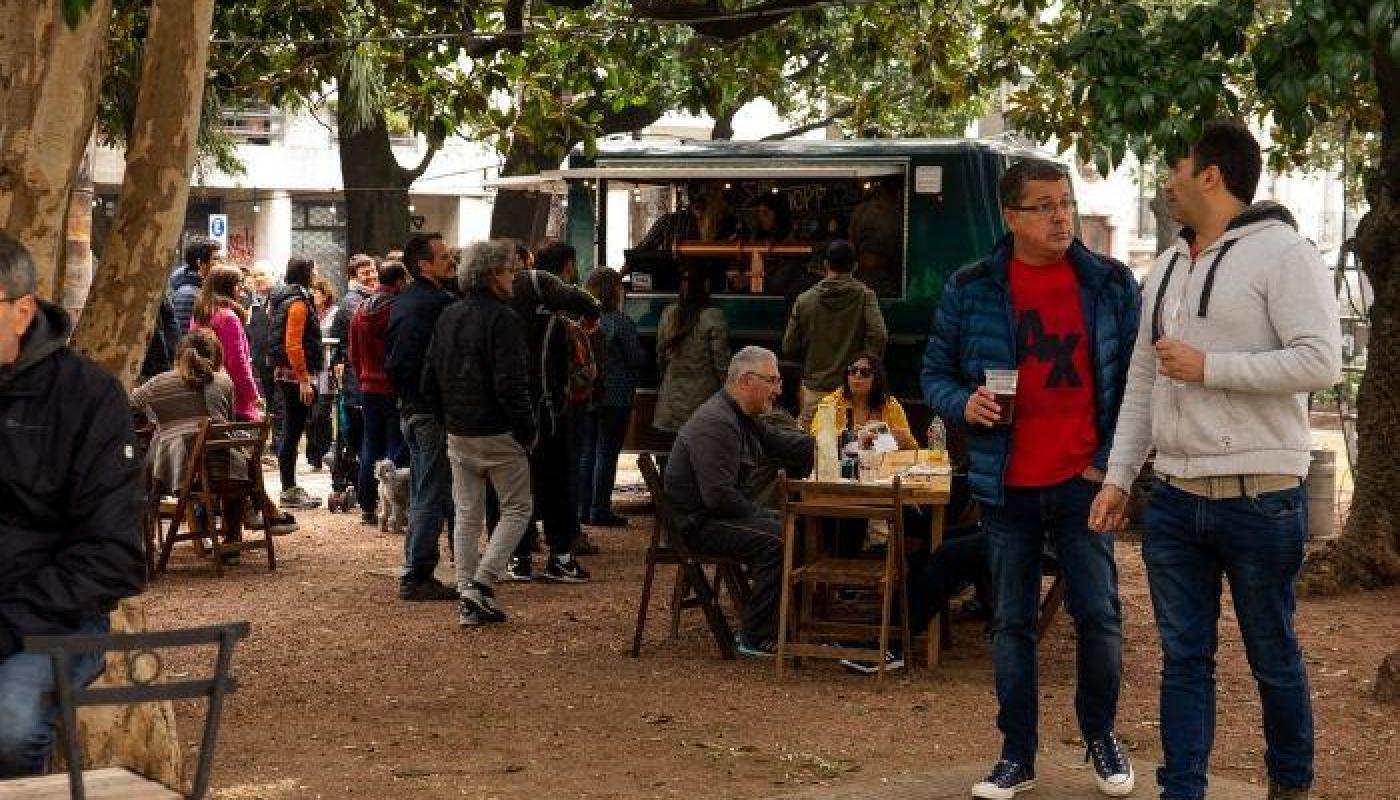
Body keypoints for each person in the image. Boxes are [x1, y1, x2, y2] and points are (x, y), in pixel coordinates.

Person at [1089, 121, 1341, 800]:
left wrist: (1211, 367)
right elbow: (1143, 379)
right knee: (1183, 660)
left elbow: (1321, 361)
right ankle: (1182, 791)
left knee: (1272, 656)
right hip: (1174, 498)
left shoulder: (1286, 253)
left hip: (1261, 495)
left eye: (1175, 168)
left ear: (1210, 175)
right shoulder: (1168, 266)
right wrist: (1119, 477)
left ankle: (1290, 785)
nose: (1166, 183)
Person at [921, 157, 1141, 799]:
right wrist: (963, 403)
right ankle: (1017, 754)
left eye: (1065, 202)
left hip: (1083, 480)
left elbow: (1138, 384)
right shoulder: (972, 287)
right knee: (1011, 622)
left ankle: (1101, 737)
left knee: (1099, 615)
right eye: (1044, 206)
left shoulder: (1109, 283)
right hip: (1007, 483)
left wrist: (1113, 466)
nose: (1061, 217)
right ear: (1010, 217)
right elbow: (935, 373)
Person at [0, 233, 145, 777]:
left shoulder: (88, 397)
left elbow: (113, 555)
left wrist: (8, 621)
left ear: (22, 312)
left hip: (52, 619)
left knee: (8, 725)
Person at [664, 346, 813, 658]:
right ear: (746, 380)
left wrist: (834, 443)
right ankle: (755, 635)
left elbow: (782, 443)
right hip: (696, 523)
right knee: (778, 537)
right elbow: (717, 496)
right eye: (772, 381)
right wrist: (761, 514)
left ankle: (788, 622)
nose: (778, 390)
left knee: (793, 524)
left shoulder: (742, 415)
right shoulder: (718, 422)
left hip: (712, 514)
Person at [422, 241, 536, 627]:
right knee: (517, 508)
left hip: (459, 429)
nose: (513, 277)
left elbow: (429, 377)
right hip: (498, 430)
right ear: (492, 275)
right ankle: (482, 584)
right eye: (509, 270)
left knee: (467, 514)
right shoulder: (505, 319)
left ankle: (467, 592)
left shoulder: (448, 314)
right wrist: (527, 429)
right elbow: (511, 383)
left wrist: (448, 417)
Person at [503, 241, 601, 583]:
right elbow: (589, 304)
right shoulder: (538, 287)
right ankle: (559, 557)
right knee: (555, 480)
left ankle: (518, 557)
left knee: (514, 485)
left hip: (509, 409)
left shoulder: (485, 304)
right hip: (548, 407)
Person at [130, 330, 251, 562]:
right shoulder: (223, 382)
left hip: (176, 475)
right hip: (226, 474)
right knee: (237, 464)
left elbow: (127, 404)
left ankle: (145, 543)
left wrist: (153, 420)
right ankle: (232, 542)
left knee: (145, 475)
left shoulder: (157, 384)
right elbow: (229, 427)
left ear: (177, 356)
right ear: (214, 357)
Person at [386, 233, 459, 602]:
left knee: (422, 489)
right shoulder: (437, 304)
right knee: (430, 491)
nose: (451, 261)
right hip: (429, 412)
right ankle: (417, 573)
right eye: (443, 257)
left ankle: (416, 566)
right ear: (423, 265)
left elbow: (396, 361)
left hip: (412, 408)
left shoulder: (404, 301)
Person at [783, 239, 888, 427]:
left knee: (808, 441)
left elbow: (789, 346)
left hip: (815, 391)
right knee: (854, 441)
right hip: (852, 393)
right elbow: (879, 335)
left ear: (825, 265)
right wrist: (863, 370)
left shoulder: (804, 300)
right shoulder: (865, 296)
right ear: (855, 266)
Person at [578, 267, 645, 527]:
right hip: (616, 396)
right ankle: (600, 509)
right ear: (614, 291)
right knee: (607, 453)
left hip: (588, 394)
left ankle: (582, 508)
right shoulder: (620, 322)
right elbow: (636, 358)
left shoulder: (583, 321)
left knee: (587, 453)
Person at [349, 260, 409, 527]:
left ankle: (367, 505)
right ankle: (395, 507)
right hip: (393, 387)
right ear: (399, 282)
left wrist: (362, 375)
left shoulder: (361, 309)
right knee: (396, 444)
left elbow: (353, 352)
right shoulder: (399, 310)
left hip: (367, 386)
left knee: (370, 445)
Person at [267, 257, 323, 509]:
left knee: (291, 429)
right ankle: (288, 489)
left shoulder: (282, 298)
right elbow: (293, 344)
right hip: (294, 375)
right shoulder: (298, 303)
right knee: (292, 430)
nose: (316, 274)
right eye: (314, 270)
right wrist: (304, 379)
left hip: (285, 372)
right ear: (306, 273)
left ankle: (289, 487)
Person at [652, 267, 730, 433]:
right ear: (706, 285)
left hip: (671, 402)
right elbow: (721, 363)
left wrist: (663, 378)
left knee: (674, 447)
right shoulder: (713, 316)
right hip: (703, 400)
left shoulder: (669, 313)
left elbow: (660, 356)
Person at [191, 266, 262, 422]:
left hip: (203, 389)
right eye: (238, 284)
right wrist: (253, 395)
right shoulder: (228, 317)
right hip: (231, 395)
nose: (241, 289)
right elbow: (237, 362)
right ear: (227, 287)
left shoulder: (201, 314)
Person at [806, 352, 917, 450]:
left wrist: (905, 440)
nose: (857, 375)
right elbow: (818, 438)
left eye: (865, 372)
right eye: (853, 371)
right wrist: (856, 437)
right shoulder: (830, 403)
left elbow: (913, 448)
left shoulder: (890, 405)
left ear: (876, 379)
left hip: (884, 462)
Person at [848, 176, 903, 297]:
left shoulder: (860, 210)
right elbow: (870, 260)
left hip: (865, 283)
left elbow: (851, 244)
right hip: (881, 285)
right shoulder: (888, 216)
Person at [305, 276, 340, 471]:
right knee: (310, 415)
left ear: (325, 294)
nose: (312, 296)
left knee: (322, 413)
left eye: (316, 292)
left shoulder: (334, 314)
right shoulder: (309, 314)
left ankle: (326, 452)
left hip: (327, 371)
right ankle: (314, 457)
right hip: (311, 370)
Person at [169, 236, 222, 334]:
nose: (220, 263)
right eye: (215, 259)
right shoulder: (188, 294)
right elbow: (186, 335)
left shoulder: (200, 289)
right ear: (200, 263)